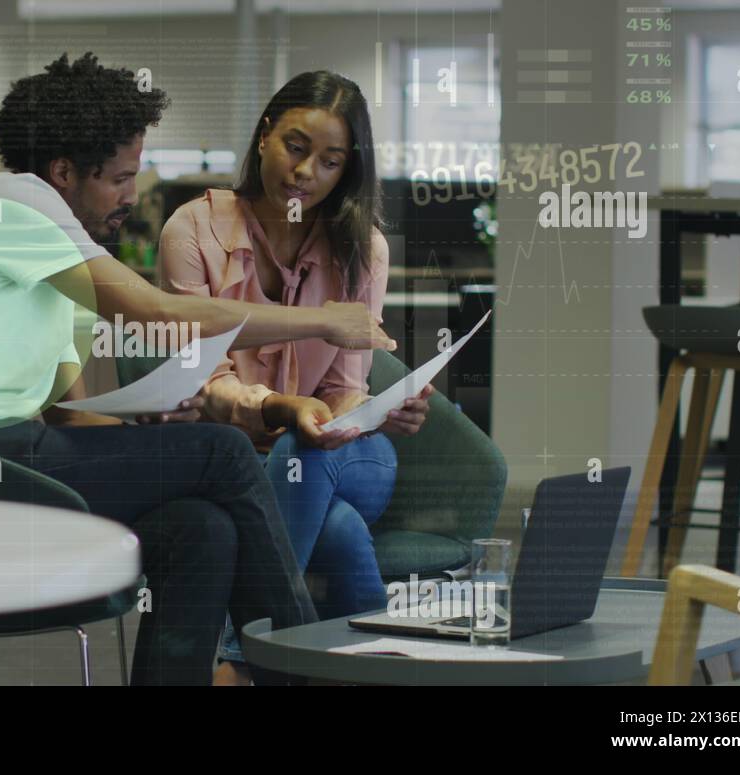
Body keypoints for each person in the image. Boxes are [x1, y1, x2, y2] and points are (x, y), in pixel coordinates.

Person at [0, 53, 396, 685]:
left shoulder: (58, 267)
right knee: (223, 454)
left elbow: (70, 416)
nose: (131, 198)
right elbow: (157, 308)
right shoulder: (10, 202)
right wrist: (325, 320)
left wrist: (151, 429)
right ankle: (298, 671)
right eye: (119, 178)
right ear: (63, 172)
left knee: (201, 527)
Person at [159, 70, 433, 685]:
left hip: (348, 457)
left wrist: (376, 410)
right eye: (296, 146)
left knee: (304, 450)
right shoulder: (193, 232)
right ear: (263, 137)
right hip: (228, 460)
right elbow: (202, 380)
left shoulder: (364, 247)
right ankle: (370, 673)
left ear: (346, 172)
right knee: (339, 533)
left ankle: (236, 662)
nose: (307, 171)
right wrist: (282, 406)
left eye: (331, 161)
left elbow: (346, 387)